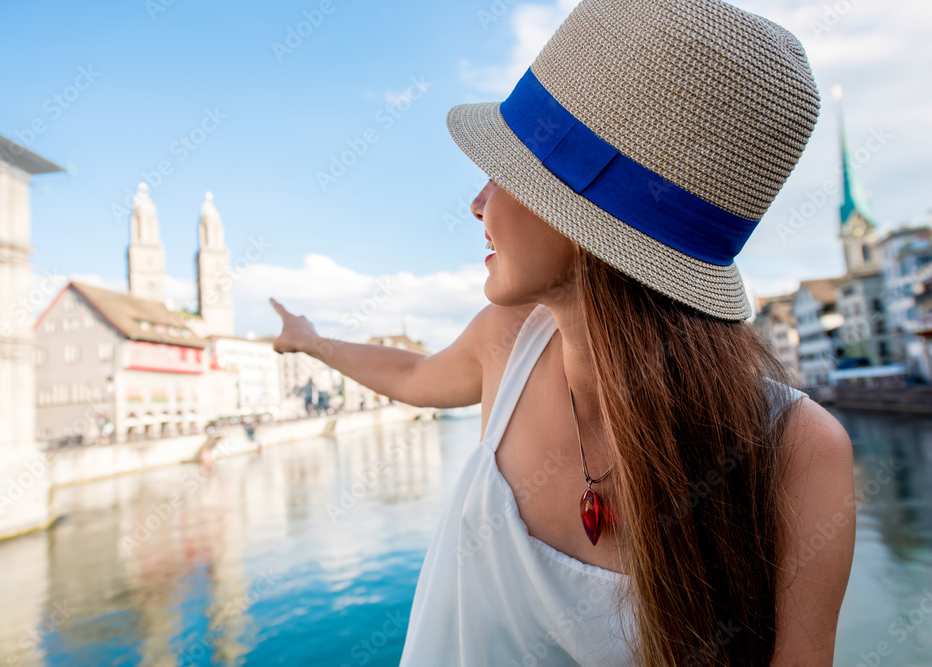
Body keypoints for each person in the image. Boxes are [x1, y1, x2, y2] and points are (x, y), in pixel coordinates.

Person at [269, 0, 855, 664]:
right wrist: (309, 340)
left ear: (584, 219)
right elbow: (408, 374)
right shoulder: (505, 338)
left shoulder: (802, 450)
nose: (477, 201)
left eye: (507, 169)